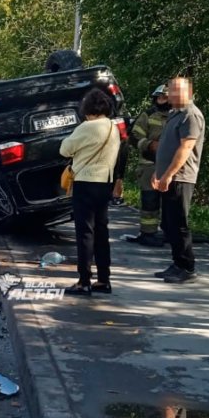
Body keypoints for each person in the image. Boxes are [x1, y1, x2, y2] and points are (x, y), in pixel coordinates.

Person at [59, 89, 121, 296]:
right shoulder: (113, 127)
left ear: (87, 109)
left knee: (85, 233)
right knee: (102, 232)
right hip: (105, 183)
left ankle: (84, 281)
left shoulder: (86, 127)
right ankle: (104, 279)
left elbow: (64, 149)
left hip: (85, 182)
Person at [152, 77, 205, 284]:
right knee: (168, 223)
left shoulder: (190, 115)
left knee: (179, 223)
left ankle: (187, 266)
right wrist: (159, 173)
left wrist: (168, 174)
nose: (170, 95)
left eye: (175, 91)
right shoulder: (175, 114)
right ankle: (176, 263)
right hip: (168, 176)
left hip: (181, 177)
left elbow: (185, 148)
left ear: (188, 92)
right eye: (169, 91)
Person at [127, 84, 172, 247]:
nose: (161, 101)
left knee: (170, 202)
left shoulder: (178, 115)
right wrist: (149, 144)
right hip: (149, 164)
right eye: (159, 97)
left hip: (172, 166)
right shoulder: (148, 115)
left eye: (165, 97)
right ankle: (148, 233)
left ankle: (169, 233)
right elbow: (133, 136)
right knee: (150, 201)